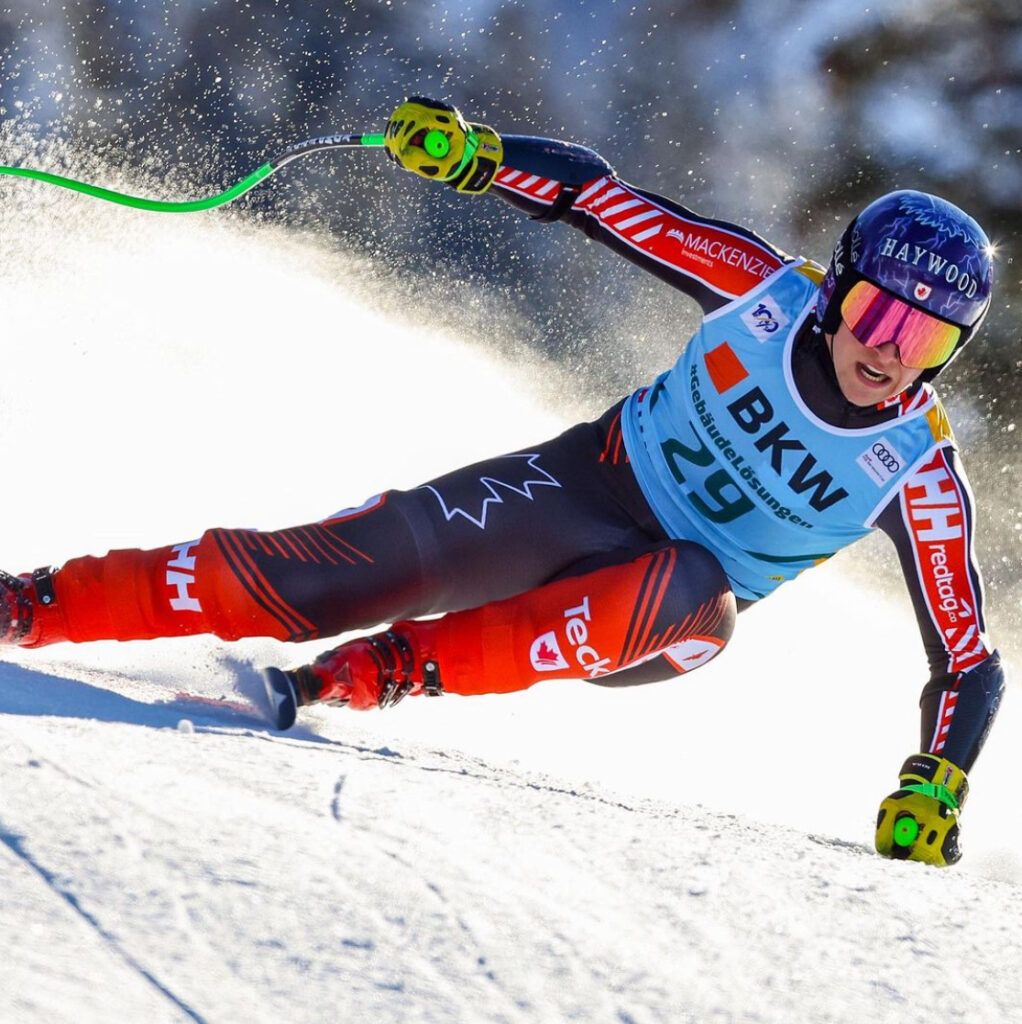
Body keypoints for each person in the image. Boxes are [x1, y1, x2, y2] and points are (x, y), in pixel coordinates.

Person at [0, 98, 1004, 867]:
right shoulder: (761, 288)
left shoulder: (915, 470)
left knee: (688, 577)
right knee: (329, 574)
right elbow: (596, 195)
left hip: (663, 612)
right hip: (576, 489)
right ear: (835, 288)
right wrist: (477, 154)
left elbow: (968, 660)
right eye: (877, 314)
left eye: (924, 340)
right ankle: (32, 604)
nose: (888, 352)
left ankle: (384, 671)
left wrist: (935, 785)